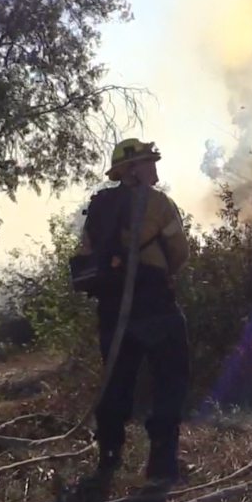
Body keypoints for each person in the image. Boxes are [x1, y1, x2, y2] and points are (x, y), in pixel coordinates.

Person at [77, 138, 191, 482]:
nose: (154, 168)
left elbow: (86, 253)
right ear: (132, 170)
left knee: (116, 380)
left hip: (112, 308)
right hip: (154, 303)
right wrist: (157, 273)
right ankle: (162, 462)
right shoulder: (157, 203)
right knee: (171, 378)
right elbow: (179, 252)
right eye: (148, 162)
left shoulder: (98, 206)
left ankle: (109, 455)